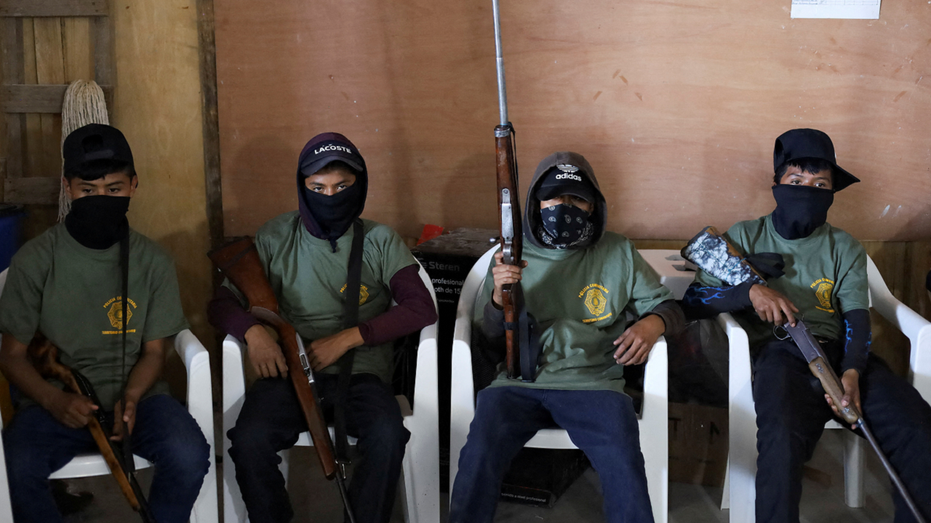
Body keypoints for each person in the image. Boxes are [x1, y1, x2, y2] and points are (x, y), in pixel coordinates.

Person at [682, 128, 931, 523]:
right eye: (796, 181)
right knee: (781, 442)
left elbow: (856, 316)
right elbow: (693, 302)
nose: (807, 190)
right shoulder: (745, 237)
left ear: (832, 193)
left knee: (918, 428)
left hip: (840, 355)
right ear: (776, 183)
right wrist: (749, 293)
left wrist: (851, 373)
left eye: (820, 184)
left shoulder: (844, 246)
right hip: (777, 356)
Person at [208, 132, 437, 523]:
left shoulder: (380, 240)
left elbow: (421, 309)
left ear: (359, 186)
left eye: (342, 187)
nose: (329, 197)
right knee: (248, 441)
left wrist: (348, 339)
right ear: (302, 187)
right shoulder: (275, 237)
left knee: (387, 436)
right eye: (317, 187)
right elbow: (220, 303)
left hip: (362, 377)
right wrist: (253, 333)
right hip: (287, 375)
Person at [449, 151, 684, 523]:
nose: (564, 207)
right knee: (479, 453)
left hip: (593, 384)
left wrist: (652, 323)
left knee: (623, 457)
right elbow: (487, 339)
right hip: (517, 382)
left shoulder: (618, 251)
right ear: (536, 203)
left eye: (577, 199)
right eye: (554, 197)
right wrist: (499, 296)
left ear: (593, 206)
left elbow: (670, 307)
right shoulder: (510, 255)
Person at [0, 123, 210, 523]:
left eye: (113, 189)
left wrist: (132, 396)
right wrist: (54, 400)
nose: (101, 198)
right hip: (54, 404)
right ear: (67, 188)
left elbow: (154, 351)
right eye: (87, 190)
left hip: (140, 401)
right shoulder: (35, 260)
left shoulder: (153, 261)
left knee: (189, 453)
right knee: (16, 465)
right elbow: (11, 355)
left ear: (134, 185)